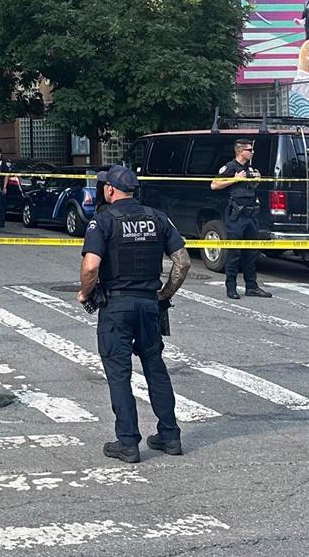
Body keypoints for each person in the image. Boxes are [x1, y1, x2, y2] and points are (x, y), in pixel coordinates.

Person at [78, 165, 191, 464]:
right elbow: (183, 263)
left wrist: (85, 293)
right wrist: (164, 294)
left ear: (110, 190)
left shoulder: (103, 221)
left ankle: (127, 442)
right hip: (149, 305)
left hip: (117, 307)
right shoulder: (158, 218)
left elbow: (91, 267)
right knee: (155, 366)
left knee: (119, 373)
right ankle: (170, 435)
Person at [211, 139, 272, 300]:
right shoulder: (231, 167)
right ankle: (231, 288)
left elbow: (248, 188)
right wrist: (235, 179)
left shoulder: (250, 168)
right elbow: (214, 184)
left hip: (251, 215)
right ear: (240, 152)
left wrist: (256, 180)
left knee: (251, 252)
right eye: (249, 150)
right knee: (234, 253)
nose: (252, 152)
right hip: (236, 216)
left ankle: (251, 286)